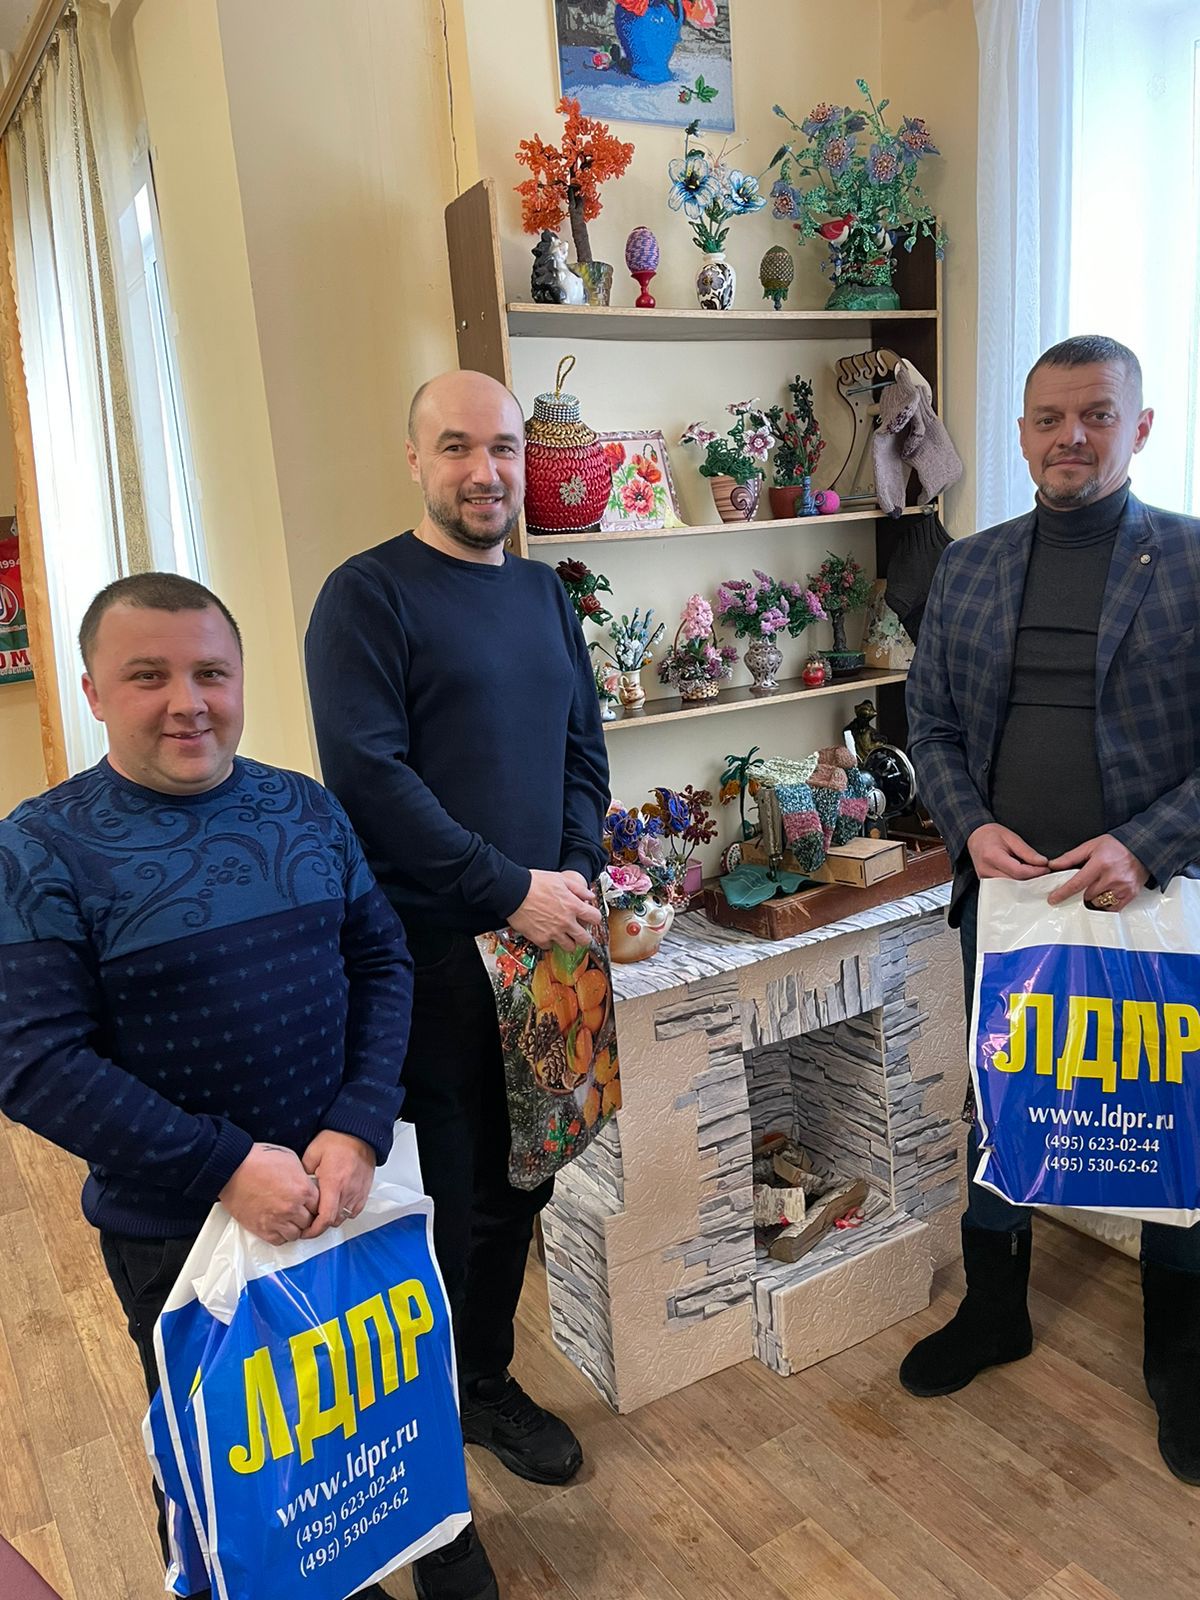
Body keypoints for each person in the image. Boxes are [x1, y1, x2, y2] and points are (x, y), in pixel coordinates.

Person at [0, 573, 412, 1600]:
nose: (188, 702)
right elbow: (36, 1062)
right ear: (94, 691)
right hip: (181, 1232)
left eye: (211, 674)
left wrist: (360, 1124)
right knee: (227, 1480)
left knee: (375, 1430)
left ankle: (420, 1564)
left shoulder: (305, 806)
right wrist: (227, 1167)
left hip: (346, 1192)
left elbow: (382, 962)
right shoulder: (39, 847)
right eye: (149, 676)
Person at [306, 369, 610, 1600]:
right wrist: (507, 888)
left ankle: (484, 1383)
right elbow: (372, 781)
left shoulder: (543, 592)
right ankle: (419, 1445)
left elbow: (584, 749)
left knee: (526, 1180)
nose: (485, 472)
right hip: (430, 958)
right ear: (415, 459)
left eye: (503, 449)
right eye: (456, 447)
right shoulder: (367, 597)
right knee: (441, 1205)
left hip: (549, 947)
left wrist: (572, 874)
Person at [901, 334, 1200, 1485]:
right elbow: (931, 724)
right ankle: (996, 1312)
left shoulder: (1189, 560)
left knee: (1167, 1117)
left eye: (1097, 414)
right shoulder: (971, 567)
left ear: (1140, 427)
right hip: (1013, 904)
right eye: (1048, 418)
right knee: (1001, 1102)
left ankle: (1182, 1364)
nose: (1071, 436)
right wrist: (970, 827)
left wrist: (1146, 845)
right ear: (1022, 433)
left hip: (1155, 905)